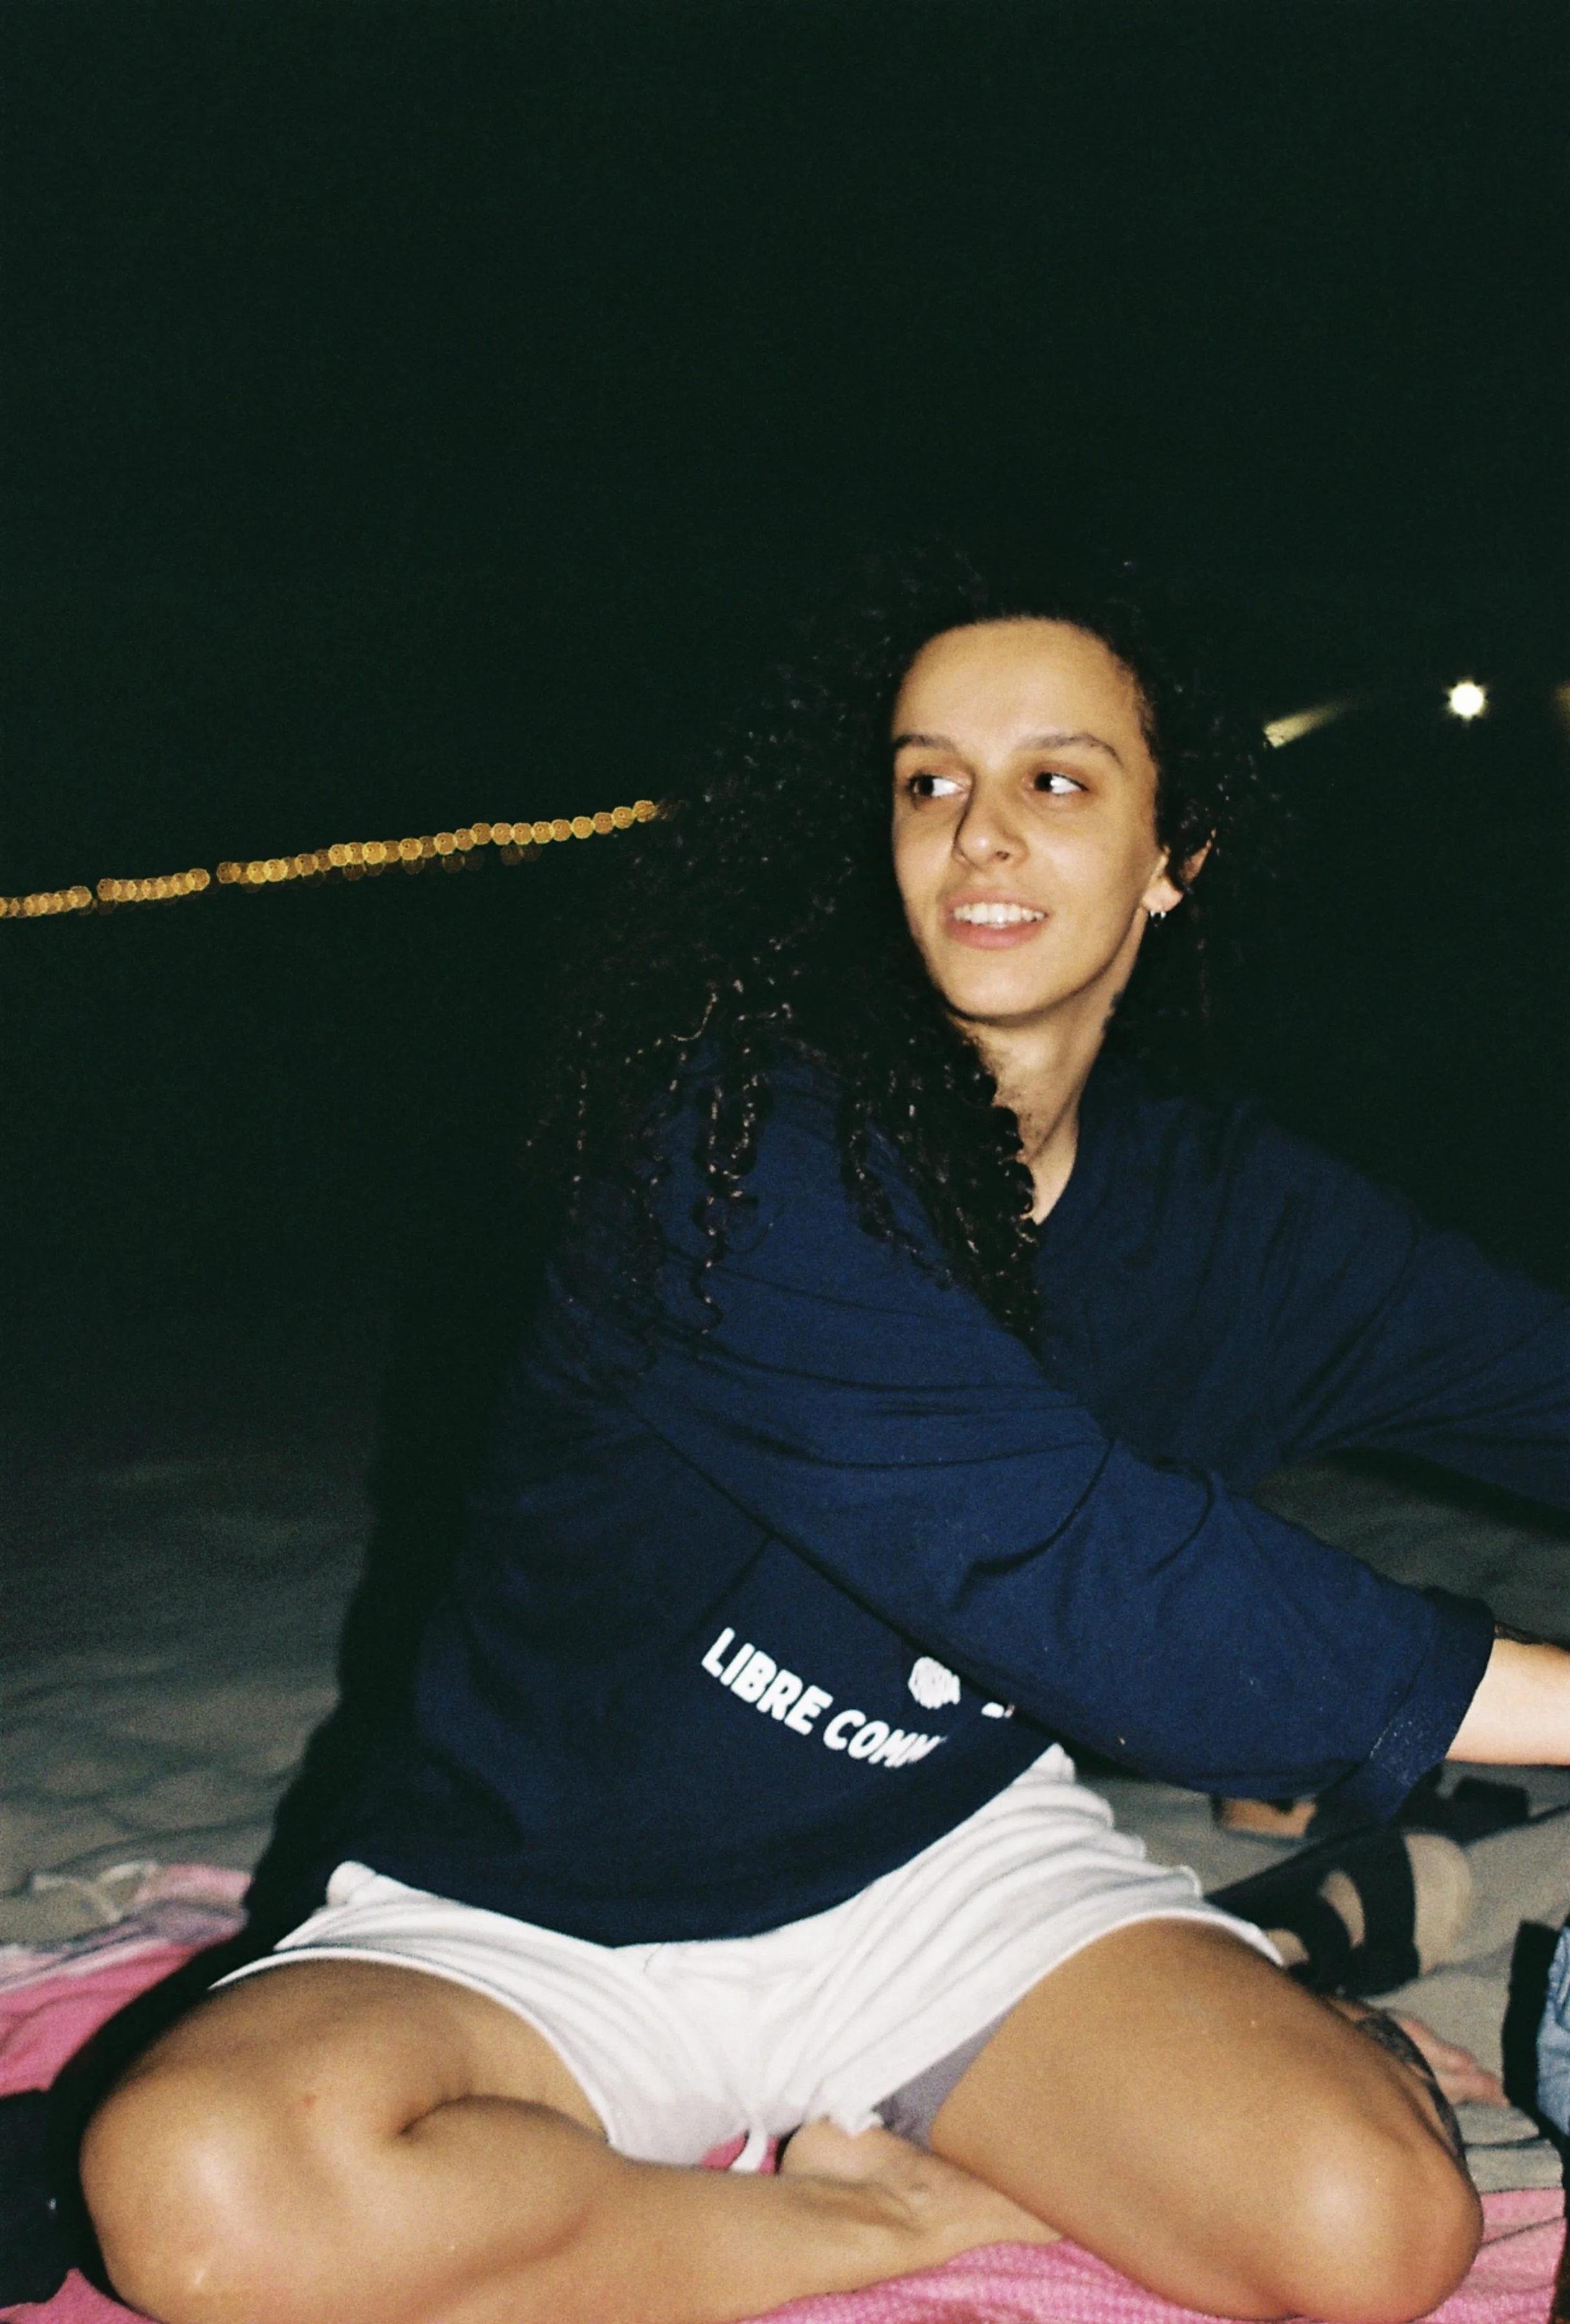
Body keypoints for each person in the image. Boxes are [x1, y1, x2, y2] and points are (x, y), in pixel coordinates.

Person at [79, 547, 1569, 2324]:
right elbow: (1073, 1565)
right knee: (200, 2195)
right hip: (542, 1912)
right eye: (929, 783)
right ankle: (888, 2220)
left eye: (1058, 782)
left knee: (1370, 2231)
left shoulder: (1244, 1227)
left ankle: (1261, 1976)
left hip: (937, 1875)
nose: (980, 833)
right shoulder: (726, 1154)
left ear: (1178, 853)